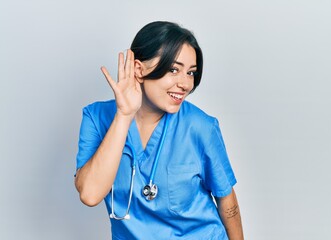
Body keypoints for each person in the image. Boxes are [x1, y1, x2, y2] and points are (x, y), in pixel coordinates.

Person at [75, 21, 244, 240]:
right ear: (139, 69)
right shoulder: (96, 118)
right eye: (173, 69)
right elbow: (89, 194)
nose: (185, 84)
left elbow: (226, 199)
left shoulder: (201, 126)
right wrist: (124, 115)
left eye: (191, 73)